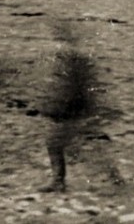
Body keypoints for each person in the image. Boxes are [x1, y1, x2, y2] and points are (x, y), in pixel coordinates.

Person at [38, 23, 100, 193]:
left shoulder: (69, 58)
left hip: (69, 109)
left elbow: (67, 86)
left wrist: (54, 107)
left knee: (57, 143)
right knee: (60, 143)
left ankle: (59, 181)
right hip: (73, 108)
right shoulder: (73, 56)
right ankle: (111, 178)